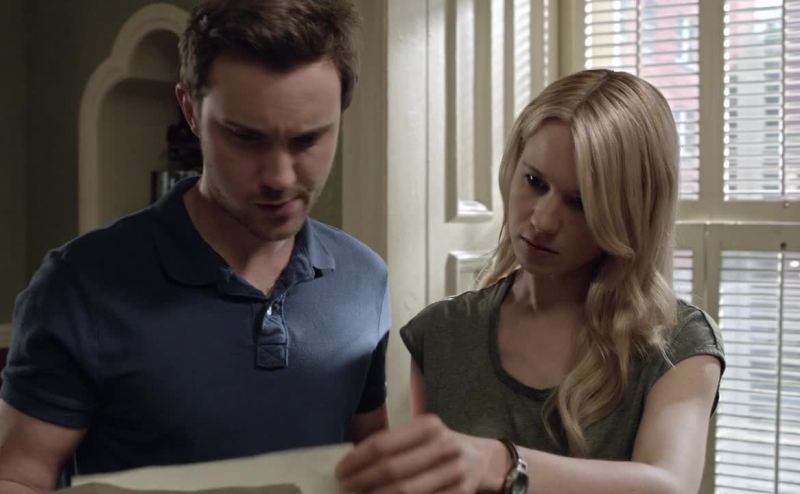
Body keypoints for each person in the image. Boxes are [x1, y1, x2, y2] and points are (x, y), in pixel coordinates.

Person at [0, 0, 391, 491]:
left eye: (308, 140)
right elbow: (18, 476)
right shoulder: (79, 286)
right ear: (190, 110)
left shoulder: (364, 280)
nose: (279, 177)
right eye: (246, 138)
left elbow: (372, 465)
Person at [336, 69, 725, 494]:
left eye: (580, 203)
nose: (542, 220)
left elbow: (668, 485)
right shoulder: (441, 333)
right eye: (535, 182)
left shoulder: (677, 343)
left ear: (629, 214)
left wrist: (500, 463)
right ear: (512, 167)